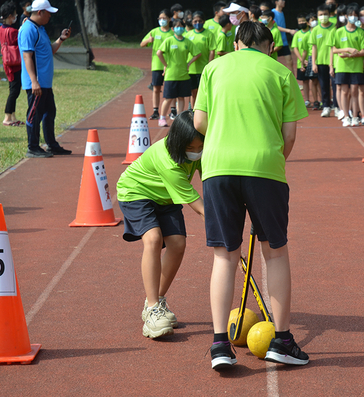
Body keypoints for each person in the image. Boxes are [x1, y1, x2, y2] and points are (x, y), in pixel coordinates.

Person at [193, 21, 309, 370]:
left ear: (236, 43)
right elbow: (289, 136)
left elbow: (199, 122)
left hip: (218, 168)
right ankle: (282, 340)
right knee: (274, 253)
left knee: (225, 256)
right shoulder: (281, 73)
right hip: (265, 168)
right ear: (269, 46)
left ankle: (218, 345)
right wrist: (270, 161)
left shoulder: (213, 68)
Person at [116, 110, 205, 339]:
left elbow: (209, 178)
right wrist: (220, 219)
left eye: (200, 148)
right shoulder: (168, 161)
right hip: (136, 191)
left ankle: (154, 303)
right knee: (153, 239)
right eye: (191, 149)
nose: (196, 153)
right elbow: (197, 205)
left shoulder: (200, 151)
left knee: (177, 244)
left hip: (165, 195)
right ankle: (154, 307)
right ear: (178, 143)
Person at [18, 0, 72, 158]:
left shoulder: (40, 29)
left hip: (45, 83)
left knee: (50, 112)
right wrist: (34, 81)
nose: (50, 16)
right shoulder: (28, 29)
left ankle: (52, 145)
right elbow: (27, 57)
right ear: (40, 12)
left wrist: (61, 39)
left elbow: (49, 51)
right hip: (37, 83)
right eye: (48, 13)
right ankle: (32, 147)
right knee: (34, 114)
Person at [156, 19, 201, 127]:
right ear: (173, 29)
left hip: (183, 75)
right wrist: (166, 65)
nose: (179, 28)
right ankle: (162, 118)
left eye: (181, 26)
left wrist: (188, 63)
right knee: (169, 98)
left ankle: (179, 118)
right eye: (177, 26)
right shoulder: (169, 40)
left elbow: (197, 53)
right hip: (171, 75)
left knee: (181, 97)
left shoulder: (187, 42)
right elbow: (159, 53)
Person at [330, 5, 364, 127]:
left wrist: (352, 55)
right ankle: (346, 116)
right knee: (344, 92)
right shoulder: (339, 32)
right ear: (346, 16)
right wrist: (347, 49)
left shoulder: (360, 32)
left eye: (355, 15)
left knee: (354, 92)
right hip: (342, 66)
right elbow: (334, 50)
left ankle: (355, 117)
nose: (352, 17)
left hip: (356, 67)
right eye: (350, 15)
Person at [140, 9, 173, 121]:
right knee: (156, 88)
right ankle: (155, 111)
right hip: (157, 65)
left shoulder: (172, 33)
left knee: (171, 88)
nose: (162, 20)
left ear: (169, 19)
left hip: (170, 65)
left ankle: (173, 110)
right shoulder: (154, 32)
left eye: (164, 18)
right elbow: (142, 44)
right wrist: (149, 40)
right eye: (160, 18)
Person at [0, 1, 24, 127]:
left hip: (7, 62)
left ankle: (12, 116)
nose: (15, 17)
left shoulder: (1, 29)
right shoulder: (12, 31)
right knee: (14, 91)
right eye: (14, 15)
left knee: (13, 89)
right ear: (10, 16)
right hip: (14, 64)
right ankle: (7, 116)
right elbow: (19, 40)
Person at [310, 4, 336, 117]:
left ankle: (337, 106)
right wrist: (313, 63)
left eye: (325, 14)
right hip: (320, 62)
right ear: (317, 16)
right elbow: (314, 47)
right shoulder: (315, 30)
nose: (323, 16)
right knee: (324, 85)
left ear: (329, 15)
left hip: (334, 61)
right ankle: (326, 106)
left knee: (335, 84)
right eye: (321, 15)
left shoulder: (335, 28)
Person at [185, 11, 215, 106]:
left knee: (202, 91)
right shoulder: (188, 35)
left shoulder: (209, 34)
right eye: (195, 21)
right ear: (192, 22)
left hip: (203, 67)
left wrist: (209, 64)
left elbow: (212, 51)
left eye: (200, 21)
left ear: (204, 21)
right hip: (191, 69)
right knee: (193, 92)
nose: (197, 23)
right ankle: (193, 111)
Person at [291, 13, 314, 106]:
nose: (301, 23)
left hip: (312, 60)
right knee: (304, 81)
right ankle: (307, 100)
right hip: (301, 62)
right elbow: (295, 48)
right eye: (299, 21)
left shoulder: (311, 33)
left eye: (303, 21)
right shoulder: (297, 34)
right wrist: (302, 60)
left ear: (307, 22)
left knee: (314, 80)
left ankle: (316, 99)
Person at [272, 0, 296, 70]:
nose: (283, 2)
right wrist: (289, 31)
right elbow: (275, 26)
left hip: (284, 41)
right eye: (281, 0)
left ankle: (291, 80)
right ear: (276, 2)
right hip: (276, 42)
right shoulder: (273, 12)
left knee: (290, 61)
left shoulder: (282, 13)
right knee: (273, 62)